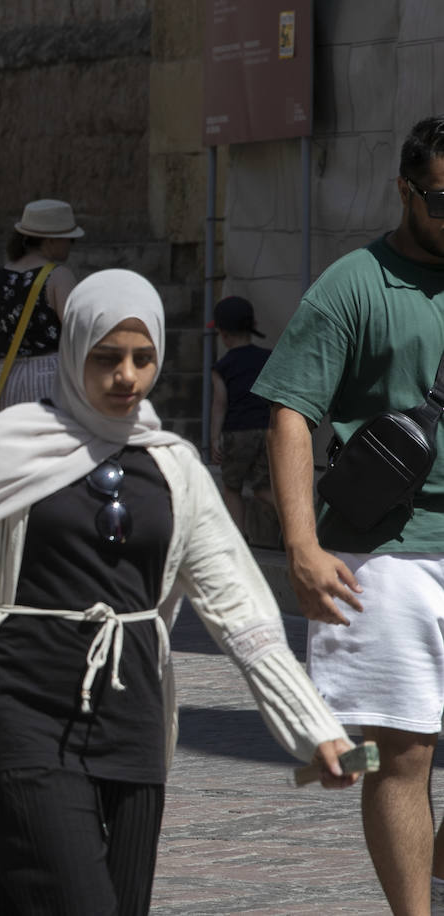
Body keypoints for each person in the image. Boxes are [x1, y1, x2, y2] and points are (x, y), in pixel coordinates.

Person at [0, 269, 354, 916]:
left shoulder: (176, 469)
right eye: (106, 358)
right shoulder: (6, 451)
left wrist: (314, 729)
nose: (126, 376)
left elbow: (244, 617)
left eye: (142, 358)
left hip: (133, 725)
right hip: (18, 712)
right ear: (74, 351)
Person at [252, 115, 444, 916]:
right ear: (405, 190)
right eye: (442, 200)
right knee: (403, 755)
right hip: (386, 553)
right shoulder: (352, 284)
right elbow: (292, 413)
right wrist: (300, 543)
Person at [0, 199, 81, 419]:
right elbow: (76, 333)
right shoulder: (59, 276)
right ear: (51, 240)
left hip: (5, 376)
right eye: (69, 239)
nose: (71, 244)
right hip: (49, 373)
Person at [209, 295, 274, 539]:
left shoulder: (222, 366)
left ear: (223, 334)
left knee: (232, 486)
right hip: (267, 429)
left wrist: (214, 438)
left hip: (237, 432)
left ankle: (238, 539)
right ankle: (300, 524)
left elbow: (219, 403)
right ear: (253, 325)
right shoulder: (268, 358)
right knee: (263, 488)